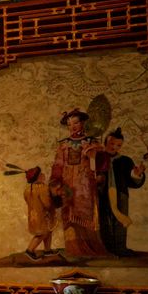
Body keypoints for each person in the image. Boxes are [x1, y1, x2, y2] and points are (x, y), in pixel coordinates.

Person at [49, 108, 105, 257]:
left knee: (86, 214)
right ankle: (73, 249)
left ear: (82, 123)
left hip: (85, 184)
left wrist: (93, 156)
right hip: (67, 185)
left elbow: (100, 163)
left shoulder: (92, 142)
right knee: (68, 213)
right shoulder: (63, 145)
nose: (72, 126)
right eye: (69, 124)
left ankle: (90, 248)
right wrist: (55, 183)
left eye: (75, 122)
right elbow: (58, 165)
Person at [94, 128, 148, 256]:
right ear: (105, 143)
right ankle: (107, 250)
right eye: (111, 143)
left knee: (120, 222)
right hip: (102, 194)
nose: (114, 147)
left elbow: (131, 181)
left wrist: (137, 174)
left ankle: (120, 249)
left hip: (121, 194)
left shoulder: (125, 161)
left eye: (118, 145)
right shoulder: (98, 158)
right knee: (104, 221)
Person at [22, 166, 57, 259]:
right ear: (37, 177)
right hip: (43, 215)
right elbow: (47, 204)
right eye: (41, 174)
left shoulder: (27, 189)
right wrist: (54, 203)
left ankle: (47, 250)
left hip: (33, 216)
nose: (43, 175)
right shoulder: (43, 188)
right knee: (42, 233)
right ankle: (30, 250)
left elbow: (27, 200)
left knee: (48, 231)